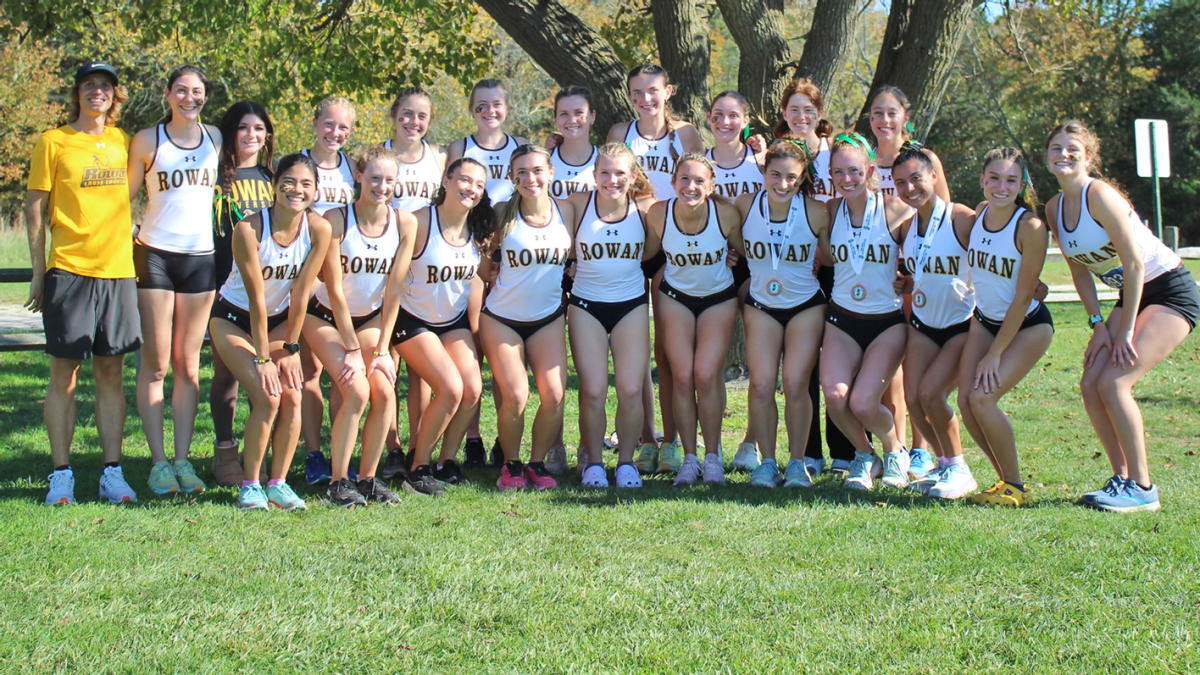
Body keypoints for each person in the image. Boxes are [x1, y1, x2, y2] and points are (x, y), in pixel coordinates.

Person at [1045, 121, 1197, 513]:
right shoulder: (1054, 208)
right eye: (1056, 148)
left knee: (1115, 382)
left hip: (1168, 290)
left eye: (1072, 148)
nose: (1063, 154)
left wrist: (1124, 330)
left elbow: (1133, 265)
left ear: (1088, 158)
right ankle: (1122, 479)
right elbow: (1079, 269)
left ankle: (1144, 488)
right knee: (1090, 381)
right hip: (1130, 296)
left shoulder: (1101, 196)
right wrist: (1098, 325)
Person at [26, 60, 141, 506]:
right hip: (69, 270)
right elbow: (35, 207)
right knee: (64, 374)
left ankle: (113, 472)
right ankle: (61, 473)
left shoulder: (122, 141)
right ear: (77, 93)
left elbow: (128, 197)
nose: (98, 92)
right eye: (89, 85)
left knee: (111, 372)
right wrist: (40, 271)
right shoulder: (53, 141)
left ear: (114, 97)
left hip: (117, 272)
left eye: (106, 86)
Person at [208, 153, 332, 511]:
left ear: (315, 190)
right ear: (275, 186)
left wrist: (291, 348)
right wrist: (264, 358)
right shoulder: (249, 228)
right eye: (289, 182)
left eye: (306, 184)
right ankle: (251, 484)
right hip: (232, 318)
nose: (297, 190)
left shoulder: (319, 229)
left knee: (293, 394)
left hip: (279, 322)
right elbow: (256, 298)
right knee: (267, 397)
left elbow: (300, 293)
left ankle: (277, 483)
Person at [125, 65, 222, 496]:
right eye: (181, 90)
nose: (189, 97)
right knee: (157, 363)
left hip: (200, 259)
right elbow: (124, 196)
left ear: (205, 96)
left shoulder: (215, 138)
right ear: (167, 94)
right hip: (156, 257)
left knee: (187, 365)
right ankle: (158, 463)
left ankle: (184, 461)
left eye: (197, 91)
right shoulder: (148, 139)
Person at [304, 145, 417, 507]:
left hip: (368, 320)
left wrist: (383, 349)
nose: (381, 186)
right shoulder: (335, 220)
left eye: (389, 180)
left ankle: (367, 479)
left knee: (384, 391)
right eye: (374, 178)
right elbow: (334, 289)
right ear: (358, 176)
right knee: (356, 390)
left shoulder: (404, 222)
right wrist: (353, 349)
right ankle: (339, 483)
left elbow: (394, 289)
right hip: (324, 317)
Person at [609, 64, 705, 474]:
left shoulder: (684, 134)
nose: (645, 99)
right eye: (637, 92)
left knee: (668, 349)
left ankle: (672, 439)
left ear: (668, 91)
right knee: (636, 351)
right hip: (631, 246)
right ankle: (645, 438)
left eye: (652, 91)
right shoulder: (619, 133)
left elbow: (701, 180)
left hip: (672, 248)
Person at [377, 158, 493, 495]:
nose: (470, 189)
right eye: (464, 180)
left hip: (451, 321)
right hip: (412, 320)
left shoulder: (477, 228)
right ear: (446, 180)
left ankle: (445, 463)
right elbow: (394, 282)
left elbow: (482, 276)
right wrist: (383, 341)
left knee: (471, 390)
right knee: (450, 389)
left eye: (479, 185)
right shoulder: (419, 223)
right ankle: (418, 467)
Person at [818, 132, 914, 491]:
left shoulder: (894, 209)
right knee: (835, 396)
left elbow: (931, 245)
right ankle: (864, 455)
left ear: (870, 170)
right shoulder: (829, 211)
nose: (847, 179)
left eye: (855, 171)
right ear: (830, 174)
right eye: (839, 172)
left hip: (885, 323)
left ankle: (895, 451)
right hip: (842, 320)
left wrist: (911, 279)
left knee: (862, 401)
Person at [959, 147, 1053, 507]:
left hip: (1026, 325)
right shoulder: (981, 213)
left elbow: (1023, 296)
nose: (1001, 186)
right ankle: (1004, 479)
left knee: (983, 399)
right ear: (982, 179)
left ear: (1022, 185)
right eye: (994, 178)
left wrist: (995, 354)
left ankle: (1015, 486)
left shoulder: (1030, 227)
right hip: (984, 320)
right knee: (967, 403)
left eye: (1011, 180)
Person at [866, 85, 953, 476]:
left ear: (905, 116)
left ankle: (921, 448)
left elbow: (944, 218)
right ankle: (895, 445)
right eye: (877, 113)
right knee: (891, 369)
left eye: (891, 113)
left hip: (919, 274)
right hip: (878, 275)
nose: (884, 121)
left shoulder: (922, 159)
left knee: (915, 364)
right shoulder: (864, 163)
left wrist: (918, 272)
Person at [732, 142, 829, 489]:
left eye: (791, 177)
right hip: (761, 304)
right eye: (775, 174)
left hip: (805, 305)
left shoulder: (816, 211)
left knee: (794, 384)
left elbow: (834, 257)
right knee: (759, 385)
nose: (783, 183)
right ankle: (768, 462)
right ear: (764, 173)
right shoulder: (744, 205)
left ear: (802, 178)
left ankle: (798, 463)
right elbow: (729, 240)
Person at [481, 145, 576, 490]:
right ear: (511, 177)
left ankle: (537, 464)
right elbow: (482, 263)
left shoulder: (567, 210)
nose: (530, 178)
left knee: (553, 395)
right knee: (516, 396)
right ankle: (511, 465)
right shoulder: (502, 213)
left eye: (537, 170)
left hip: (547, 317)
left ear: (551, 173)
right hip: (502, 318)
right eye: (521, 172)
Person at [772, 77, 854, 478]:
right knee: (800, 366)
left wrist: (826, 253)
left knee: (836, 358)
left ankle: (844, 448)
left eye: (809, 110)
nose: (801, 116)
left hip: (835, 264)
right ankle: (806, 452)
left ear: (819, 113)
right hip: (792, 266)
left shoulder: (834, 152)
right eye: (794, 109)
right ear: (784, 113)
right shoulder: (775, 155)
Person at [446, 79, 530, 466]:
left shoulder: (519, 148)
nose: (489, 112)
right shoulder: (460, 148)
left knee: (504, 354)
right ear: (472, 110)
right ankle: (474, 438)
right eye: (482, 105)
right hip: (474, 248)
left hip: (511, 250)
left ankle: (503, 437)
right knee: (477, 343)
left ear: (507, 108)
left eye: (496, 104)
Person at [566, 144, 658, 488]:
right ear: (594, 175)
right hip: (586, 305)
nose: (612, 179)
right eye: (604, 172)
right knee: (592, 390)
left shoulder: (646, 208)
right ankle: (592, 461)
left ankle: (625, 463)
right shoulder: (578, 204)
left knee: (631, 389)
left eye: (620, 173)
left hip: (631, 304)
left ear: (633, 176)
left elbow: (676, 234)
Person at [891, 146, 980, 499]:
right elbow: (925, 270)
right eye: (900, 182)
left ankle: (959, 467)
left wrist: (1029, 282)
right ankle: (943, 466)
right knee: (914, 399)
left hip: (962, 323)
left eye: (915, 178)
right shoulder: (909, 226)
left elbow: (995, 251)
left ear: (933, 177)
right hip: (924, 324)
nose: (909, 188)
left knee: (932, 394)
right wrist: (909, 283)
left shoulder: (961, 217)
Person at [648, 153, 741, 485]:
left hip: (718, 298)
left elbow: (745, 253)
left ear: (711, 186)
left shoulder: (726, 214)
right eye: (684, 179)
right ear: (673, 182)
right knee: (683, 376)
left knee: (705, 373)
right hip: (676, 298)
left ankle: (713, 456)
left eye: (699, 180)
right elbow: (643, 255)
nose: (691, 186)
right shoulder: (659, 214)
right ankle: (689, 458)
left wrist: (732, 257)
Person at [378, 87, 447, 479]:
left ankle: (420, 447)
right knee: (387, 360)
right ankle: (391, 446)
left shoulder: (438, 157)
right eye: (406, 114)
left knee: (419, 370)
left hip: (422, 269)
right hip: (381, 266)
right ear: (394, 115)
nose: (413, 122)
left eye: (421, 116)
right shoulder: (378, 154)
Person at [209, 101, 275, 486]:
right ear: (231, 131)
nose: (252, 135)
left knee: (261, 376)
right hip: (224, 287)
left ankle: (258, 457)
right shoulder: (216, 176)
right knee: (226, 374)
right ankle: (224, 453)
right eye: (244, 128)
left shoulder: (273, 177)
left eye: (260, 129)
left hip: (269, 291)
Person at [297, 97, 358, 485]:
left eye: (344, 128)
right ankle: (312, 453)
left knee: (340, 374)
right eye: (329, 124)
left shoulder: (354, 169)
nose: (335, 133)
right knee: (308, 371)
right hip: (302, 277)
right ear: (315, 122)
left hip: (343, 280)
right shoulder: (298, 163)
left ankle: (340, 452)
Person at [707, 90, 767, 473]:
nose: (725, 122)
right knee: (705, 358)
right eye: (718, 115)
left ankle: (751, 441)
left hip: (754, 263)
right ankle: (695, 440)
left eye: (733, 115)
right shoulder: (698, 163)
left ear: (746, 120)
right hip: (707, 264)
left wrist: (742, 251)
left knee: (758, 360)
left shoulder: (761, 163)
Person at [548, 85, 598, 198]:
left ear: (592, 116)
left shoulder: (605, 160)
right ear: (556, 118)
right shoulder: (544, 159)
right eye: (564, 114)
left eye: (578, 113)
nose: (571, 121)